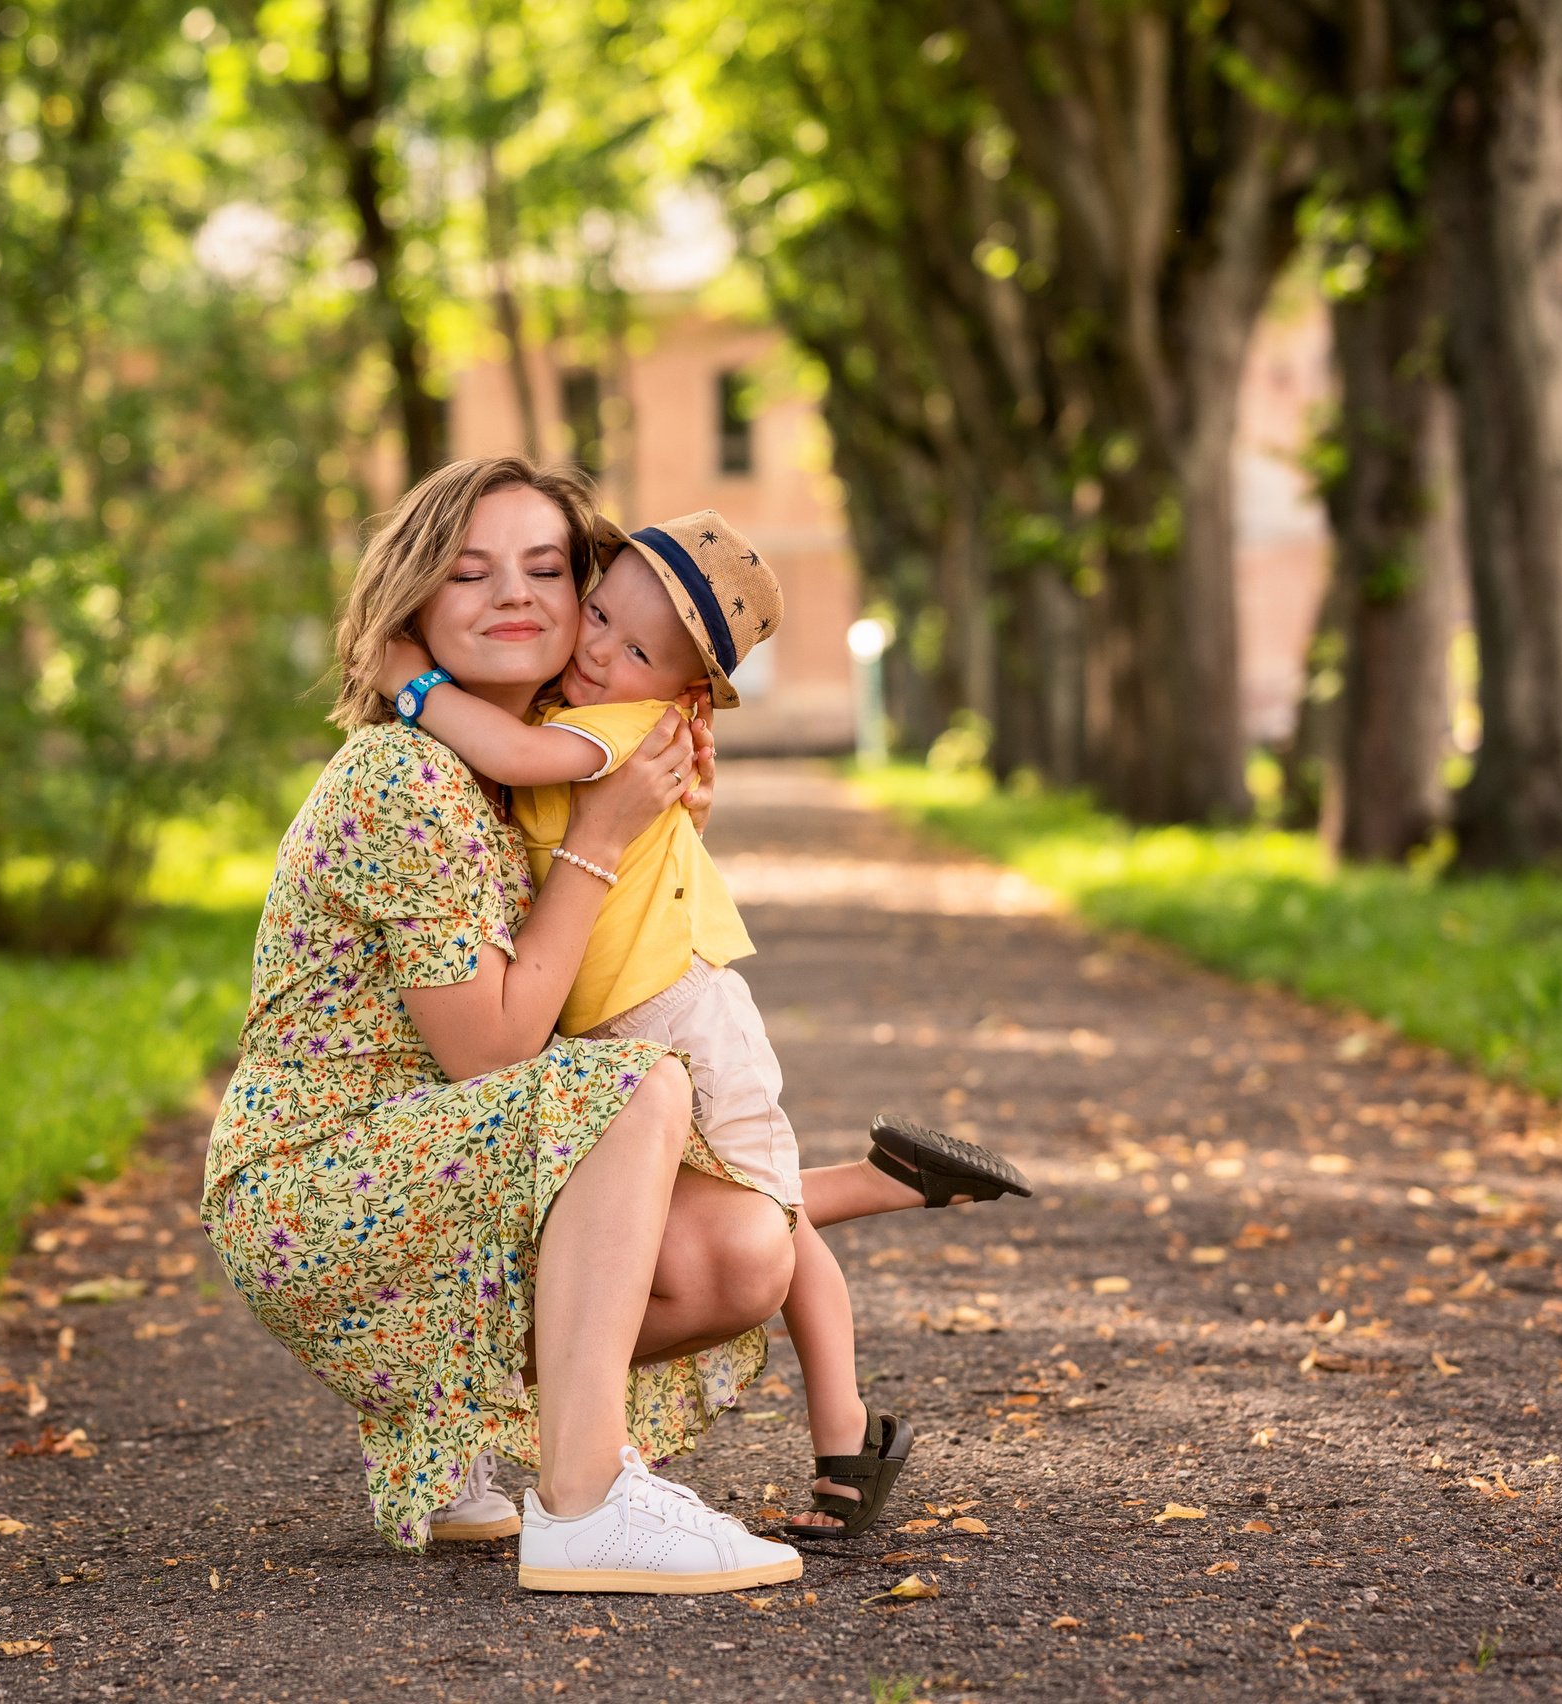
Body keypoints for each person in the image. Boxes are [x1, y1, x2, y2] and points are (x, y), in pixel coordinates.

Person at [202, 457, 805, 1593]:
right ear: (416, 602)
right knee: (637, 1085)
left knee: (735, 1254)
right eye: (468, 571)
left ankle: (463, 1440)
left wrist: (649, 825)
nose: (513, 594)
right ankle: (584, 1497)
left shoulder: (507, 778)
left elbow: (604, 968)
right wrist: (604, 837)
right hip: (317, 1181)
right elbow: (493, 1050)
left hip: (428, 1159)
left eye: (545, 568)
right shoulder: (404, 774)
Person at [376, 509, 1031, 1541]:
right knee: (697, 1206)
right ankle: (883, 1188)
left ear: (677, 688)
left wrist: (410, 679)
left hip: (679, 1009)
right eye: (594, 614)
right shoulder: (594, 704)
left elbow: (503, 746)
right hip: (611, 1028)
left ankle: (845, 1436)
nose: (596, 648)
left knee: (766, 1219)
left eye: (634, 648)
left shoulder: (622, 730)